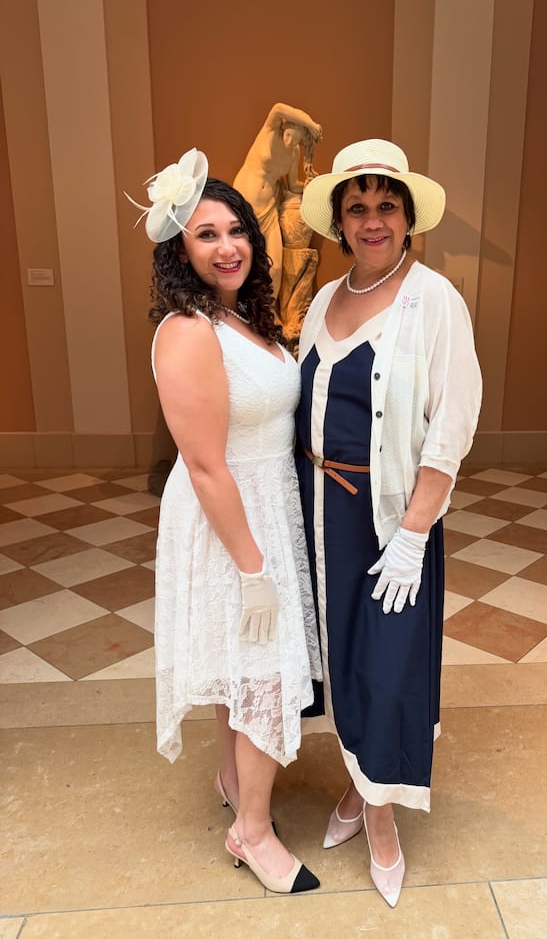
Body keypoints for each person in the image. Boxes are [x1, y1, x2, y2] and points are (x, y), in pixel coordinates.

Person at [127, 148, 322, 894]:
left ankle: (234, 781)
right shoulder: (188, 330)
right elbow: (207, 465)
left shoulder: (240, 317)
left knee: (243, 667)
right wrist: (252, 569)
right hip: (230, 520)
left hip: (265, 501)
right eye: (206, 234)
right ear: (179, 249)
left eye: (236, 229)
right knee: (265, 672)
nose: (227, 246)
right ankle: (253, 833)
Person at [296, 139, 483, 907]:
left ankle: (379, 819)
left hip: (390, 520)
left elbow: (452, 423)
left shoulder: (433, 300)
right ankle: (358, 785)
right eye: (357, 207)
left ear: (408, 218)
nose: (372, 221)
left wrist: (412, 535)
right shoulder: (322, 301)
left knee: (386, 668)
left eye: (386, 206)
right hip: (323, 517)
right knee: (344, 664)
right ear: (340, 222)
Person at [233, 103, 323, 299]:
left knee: (275, 266)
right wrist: (311, 124)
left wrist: (312, 185)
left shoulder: (294, 153)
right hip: (243, 205)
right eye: (290, 135)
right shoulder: (270, 132)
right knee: (242, 263)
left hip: (268, 209)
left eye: (297, 139)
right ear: (285, 126)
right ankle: (240, 309)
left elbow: (293, 185)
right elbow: (278, 108)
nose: (291, 141)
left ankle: (269, 310)